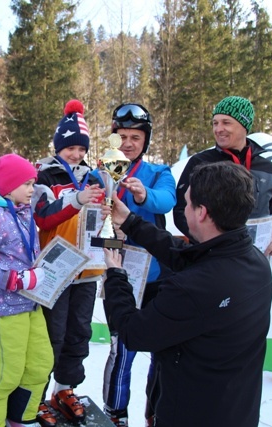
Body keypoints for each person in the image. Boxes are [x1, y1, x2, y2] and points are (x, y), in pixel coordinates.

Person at [103, 161, 272, 427]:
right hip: (238, 411)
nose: (184, 210)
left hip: (191, 414)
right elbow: (186, 257)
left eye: (188, 204)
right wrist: (130, 222)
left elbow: (132, 332)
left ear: (202, 212)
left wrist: (115, 275)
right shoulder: (254, 261)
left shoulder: (192, 288)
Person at [99, 103, 176, 427]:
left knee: (162, 350)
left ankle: (155, 412)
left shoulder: (159, 172)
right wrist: (96, 193)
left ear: (145, 140)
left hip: (157, 275)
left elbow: (167, 200)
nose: (129, 143)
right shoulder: (102, 169)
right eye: (122, 136)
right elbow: (89, 208)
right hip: (120, 270)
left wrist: (144, 196)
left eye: (135, 137)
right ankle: (115, 412)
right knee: (123, 347)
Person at [33, 99, 106, 426]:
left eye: (80, 148)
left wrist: (100, 214)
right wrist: (76, 200)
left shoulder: (94, 176)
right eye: (70, 147)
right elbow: (44, 218)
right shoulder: (44, 174)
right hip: (55, 271)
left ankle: (64, 389)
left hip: (87, 270)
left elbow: (96, 222)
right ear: (58, 146)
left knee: (79, 333)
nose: (76, 153)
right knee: (52, 336)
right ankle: (35, 395)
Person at [0, 154, 53, 427]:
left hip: (31, 303)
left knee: (40, 364)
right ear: (8, 185)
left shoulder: (23, 212)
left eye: (33, 183)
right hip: (5, 309)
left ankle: (21, 419)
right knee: (7, 373)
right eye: (27, 184)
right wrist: (18, 279)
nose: (32, 190)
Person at [173, 95, 272, 259]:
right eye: (215, 123)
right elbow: (180, 211)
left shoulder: (268, 168)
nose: (218, 129)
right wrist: (206, 242)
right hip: (211, 257)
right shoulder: (200, 162)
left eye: (226, 122)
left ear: (244, 126)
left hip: (255, 259)